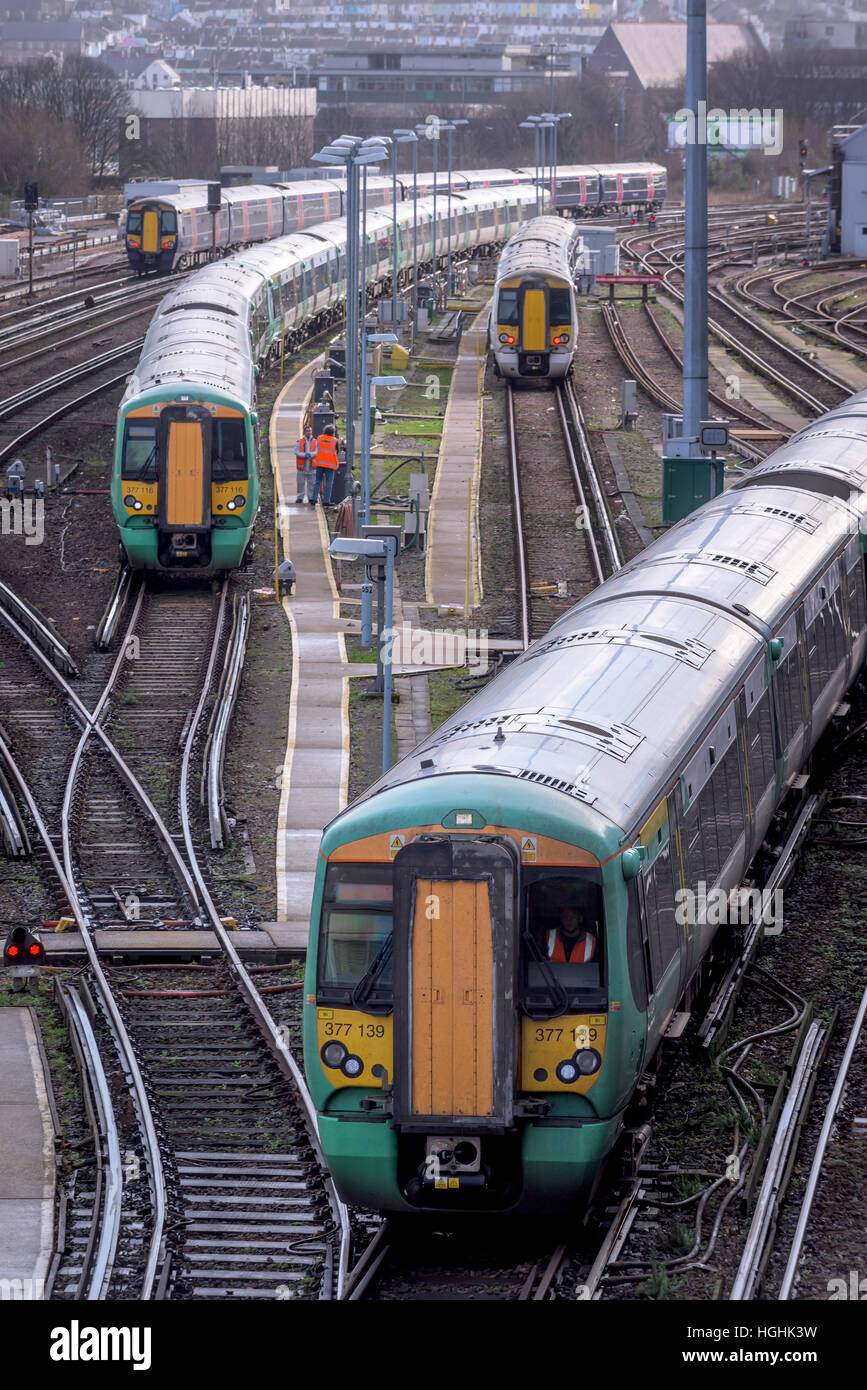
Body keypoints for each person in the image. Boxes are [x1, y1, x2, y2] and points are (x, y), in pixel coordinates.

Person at [311, 424, 340, 506]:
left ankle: (314, 499)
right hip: (330, 465)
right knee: (328, 483)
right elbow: (337, 451)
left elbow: (316, 448)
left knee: (318, 481)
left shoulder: (319, 438)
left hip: (319, 463)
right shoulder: (335, 441)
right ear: (333, 432)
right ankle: (326, 501)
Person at [294, 425, 315, 504]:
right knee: (300, 483)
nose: (309, 432)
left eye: (310, 431)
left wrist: (311, 454)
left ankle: (311, 498)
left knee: (311, 483)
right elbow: (296, 452)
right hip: (302, 467)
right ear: (304, 432)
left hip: (312, 467)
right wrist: (304, 455)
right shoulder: (300, 442)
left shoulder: (315, 441)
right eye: (307, 431)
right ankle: (300, 497)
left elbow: (317, 451)